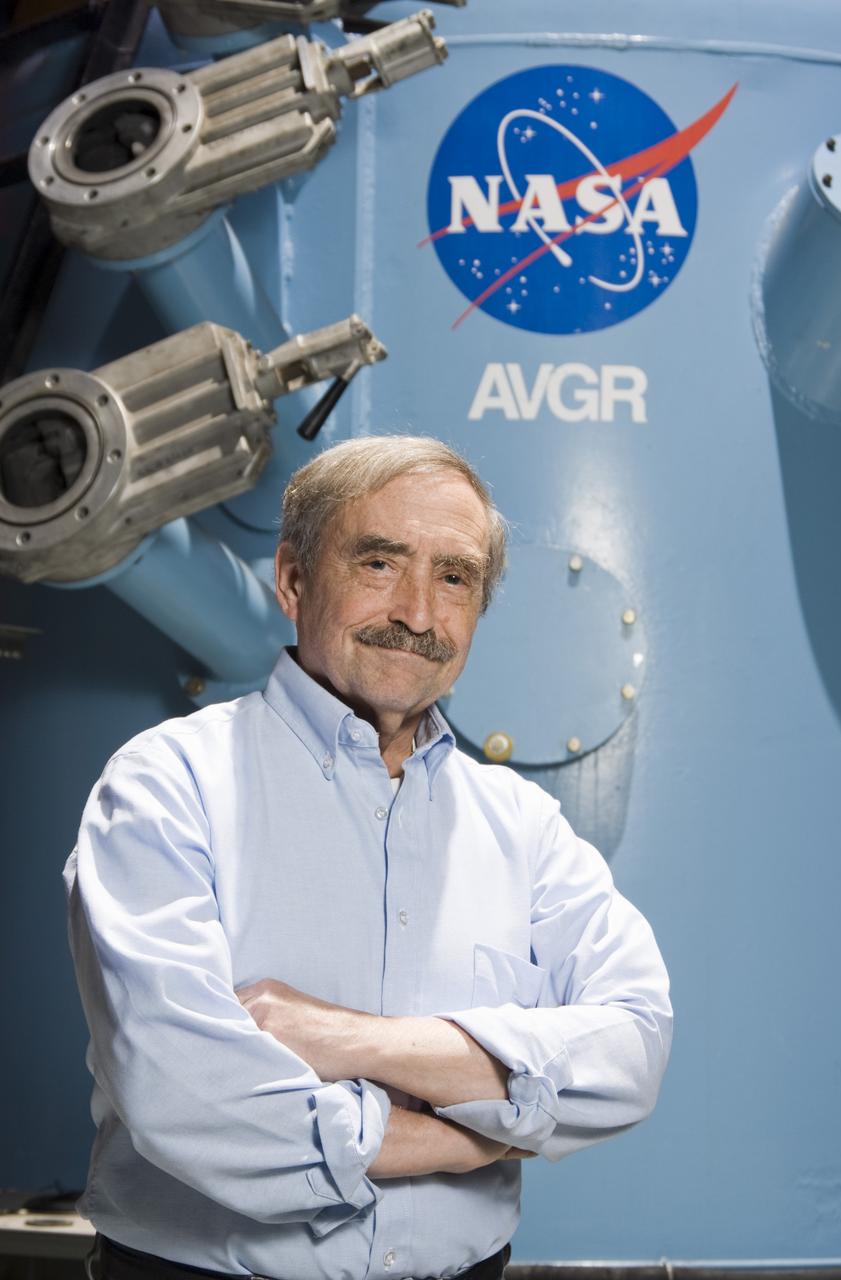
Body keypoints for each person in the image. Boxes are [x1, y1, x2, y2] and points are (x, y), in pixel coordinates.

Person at [65, 435, 672, 1280]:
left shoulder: (523, 826)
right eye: (380, 563)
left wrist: (349, 1041)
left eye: (454, 577)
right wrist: (459, 1136)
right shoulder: (168, 787)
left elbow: (633, 1049)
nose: (419, 614)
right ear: (292, 579)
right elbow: (181, 1094)